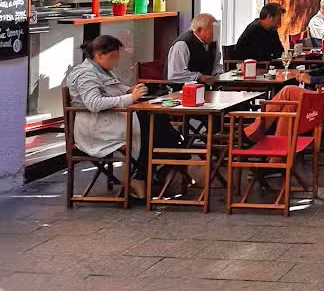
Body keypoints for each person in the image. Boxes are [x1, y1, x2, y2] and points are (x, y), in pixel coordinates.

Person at [67, 36, 183, 199]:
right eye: (113, 57)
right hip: (97, 127)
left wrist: (131, 90)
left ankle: (155, 166)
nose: (116, 62)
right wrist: (129, 98)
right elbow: (93, 103)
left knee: (156, 120)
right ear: (99, 55)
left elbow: (115, 86)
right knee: (152, 125)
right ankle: (168, 159)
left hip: (112, 119)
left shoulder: (102, 69)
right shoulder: (85, 74)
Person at [167, 13, 223, 84]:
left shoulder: (212, 42)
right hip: (181, 90)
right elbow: (175, 74)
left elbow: (216, 64)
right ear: (199, 30)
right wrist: (199, 77)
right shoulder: (182, 44)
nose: (216, 34)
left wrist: (217, 74)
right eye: (213, 30)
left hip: (206, 88)